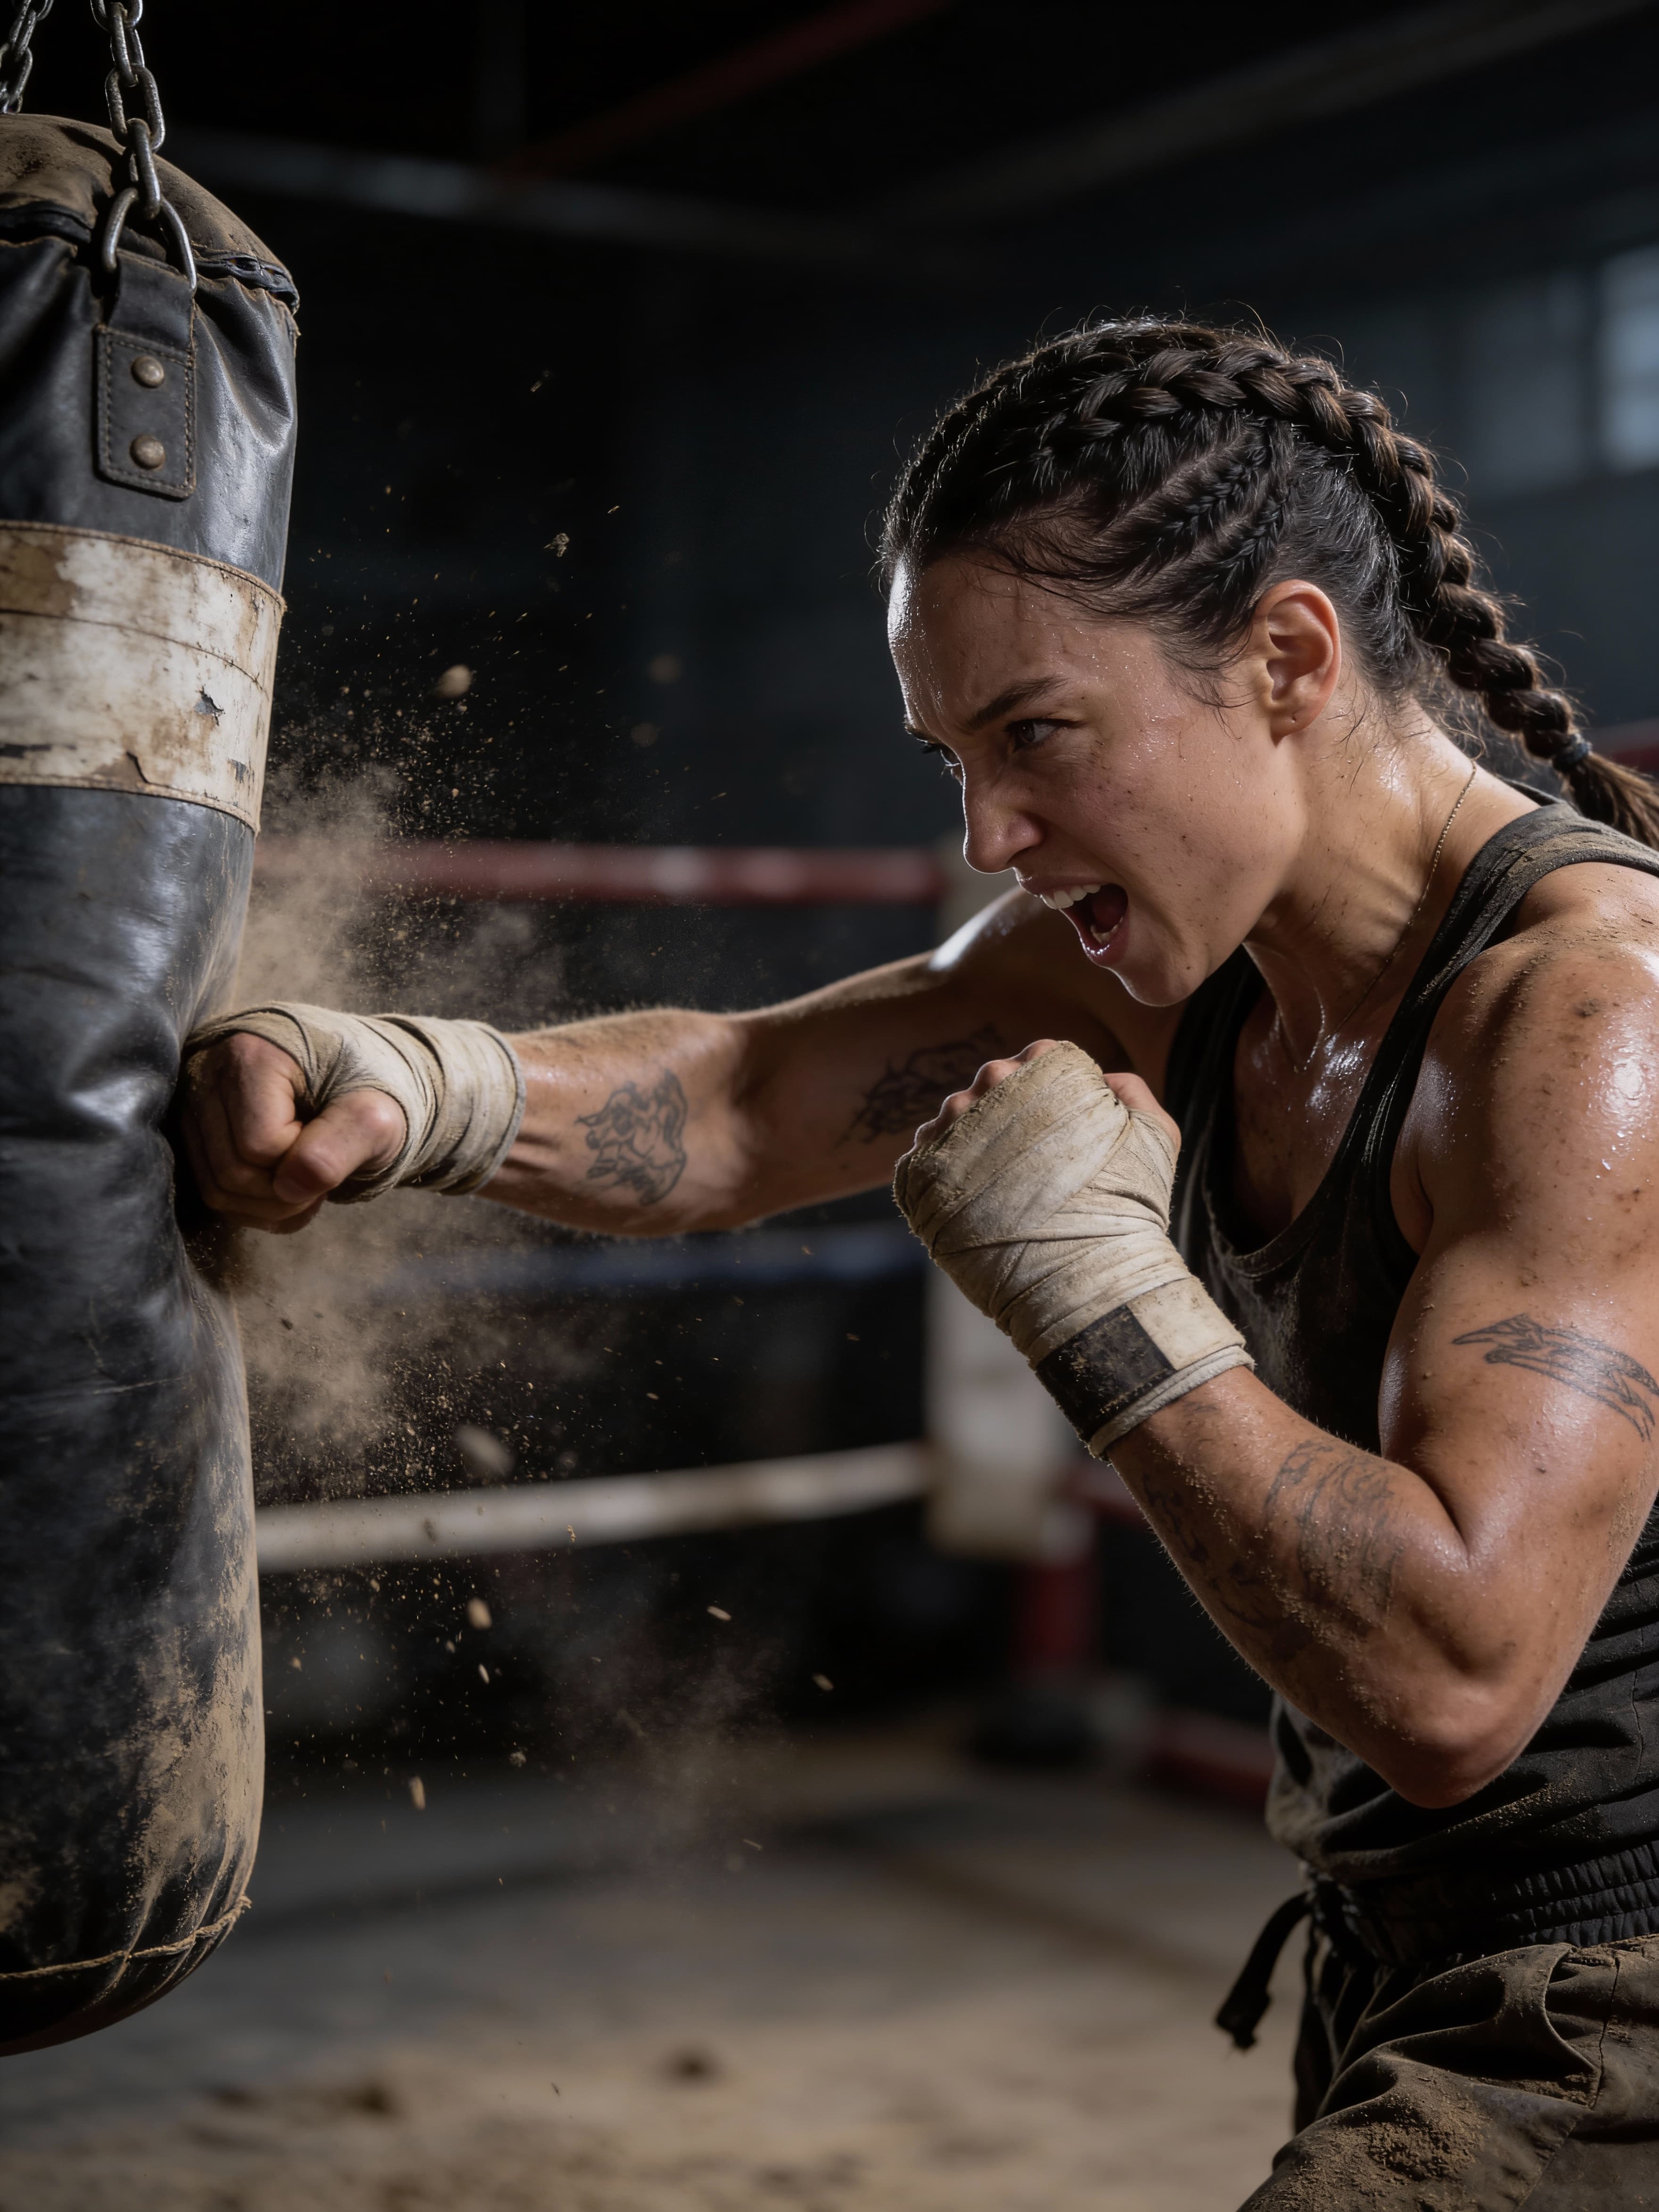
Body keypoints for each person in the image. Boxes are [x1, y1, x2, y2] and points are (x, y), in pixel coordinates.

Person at [182, 321, 1659, 2203]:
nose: (989, 834)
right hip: (1401, 1953)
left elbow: (1456, 1687)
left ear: (1288, 659)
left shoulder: (1581, 1025)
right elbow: (742, 1100)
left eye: (1036, 734)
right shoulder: (1186, 975)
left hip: (1612, 1985)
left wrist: (1093, 1294)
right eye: (954, 757)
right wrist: (413, 1080)